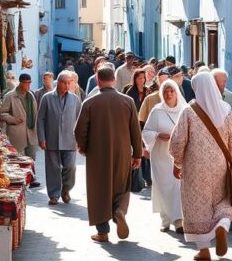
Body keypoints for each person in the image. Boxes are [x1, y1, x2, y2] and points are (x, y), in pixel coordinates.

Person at [169, 72, 232, 260]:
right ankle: (222, 226)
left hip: (195, 167)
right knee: (222, 200)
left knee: (197, 206)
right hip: (220, 165)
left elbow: (177, 142)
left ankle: (203, 250)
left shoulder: (189, 111)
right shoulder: (227, 110)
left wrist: (177, 162)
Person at [74, 65, 144, 242]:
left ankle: (103, 231)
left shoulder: (89, 102)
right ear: (114, 80)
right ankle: (119, 211)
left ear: (97, 80)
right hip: (122, 152)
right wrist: (137, 154)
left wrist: (82, 146)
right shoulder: (127, 101)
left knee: (99, 190)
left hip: (97, 153)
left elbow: (79, 130)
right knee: (121, 186)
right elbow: (136, 131)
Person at [142, 79, 184, 233]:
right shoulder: (157, 110)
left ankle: (179, 220)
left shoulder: (184, 110)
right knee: (162, 187)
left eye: (171, 91)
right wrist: (158, 135)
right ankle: (165, 219)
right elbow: (146, 132)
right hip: (160, 156)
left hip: (178, 157)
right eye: (165, 92)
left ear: (176, 92)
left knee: (178, 187)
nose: (168, 94)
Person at [36, 71, 83, 205]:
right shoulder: (47, 98)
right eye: (65, 83)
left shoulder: (75, 99)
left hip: (70, 139)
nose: (68, 85)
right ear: (59, 83)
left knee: (70, 167)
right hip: (52, 138)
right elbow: (41, 119)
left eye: (69, 83)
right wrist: (42, 138)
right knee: (53, 168)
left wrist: (80, 140)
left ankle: (66, 190)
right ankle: (54, 195)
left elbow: (80, 120)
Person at [0, 74, 40, 160]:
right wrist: (12, 119)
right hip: (17, 133)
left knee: (31, 159)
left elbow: (35, 113)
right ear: (20, 83)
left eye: (30, 83)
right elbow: (2, 113)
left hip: (31, 133)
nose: (28, 85)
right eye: (26, 83)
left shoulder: (31, 95)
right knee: (19, 160)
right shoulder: (10, 96)